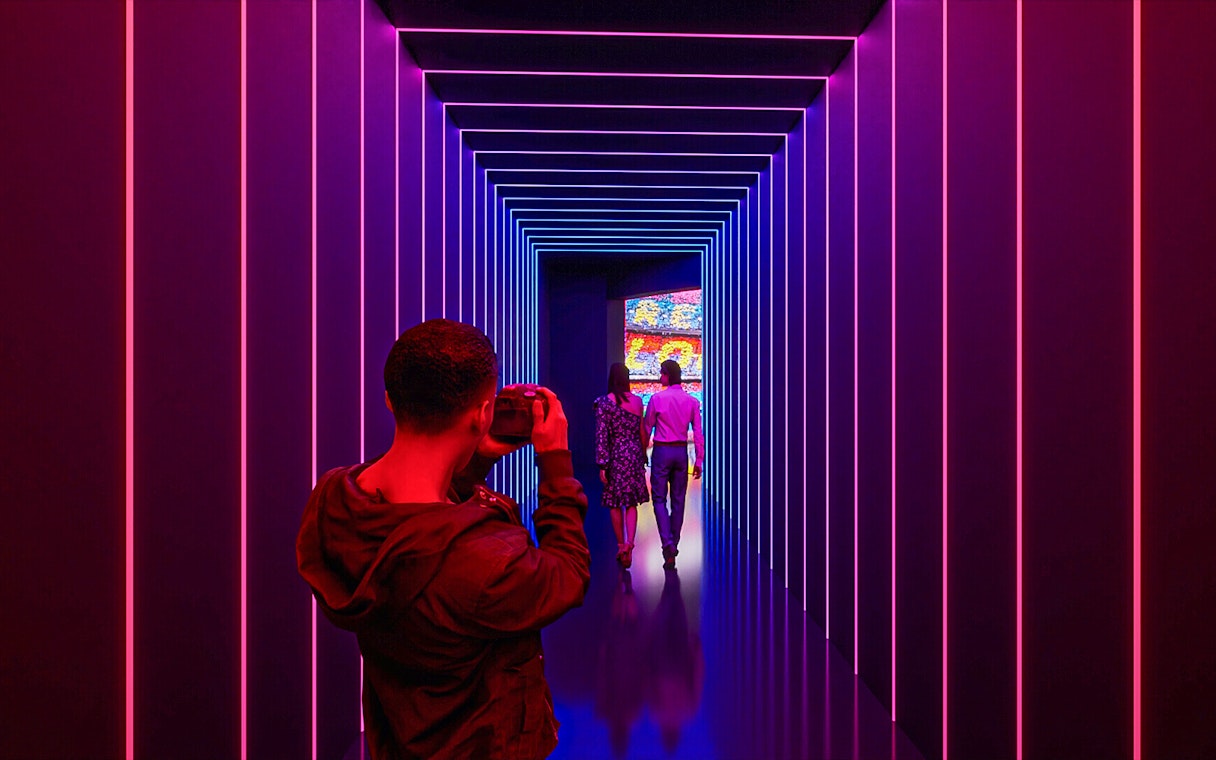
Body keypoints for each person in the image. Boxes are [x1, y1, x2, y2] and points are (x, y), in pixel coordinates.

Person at [296, 319, 591, 760]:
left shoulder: (334, 501)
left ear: (391, 400)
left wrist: (474, 458)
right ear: (481, 413)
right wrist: (555, 464)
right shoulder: (484, 563)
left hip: (398, 739)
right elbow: (566, 574)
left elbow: (418, 523)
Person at [642, 359, 704, 569]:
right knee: (678, 501)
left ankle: (667, 543)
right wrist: (699, 459)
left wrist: (643, 452)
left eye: (661, 373)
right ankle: (674, 543)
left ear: (668, 375)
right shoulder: (692, 402)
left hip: (661, 451)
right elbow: (698, 433)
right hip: (680, 453)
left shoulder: (657, 399)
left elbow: (647, 426)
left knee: (659, 499)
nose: (660, 377)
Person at [593, 362, 650, 569]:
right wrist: (643, 455)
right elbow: (642, 432)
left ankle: (620, 545)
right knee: (631, 503)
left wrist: (602, 464)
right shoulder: (637, 402)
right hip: (633, 454)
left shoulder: (603, 403)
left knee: (615, 503)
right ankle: (630, 543)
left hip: (616, 456)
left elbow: (601, 436)